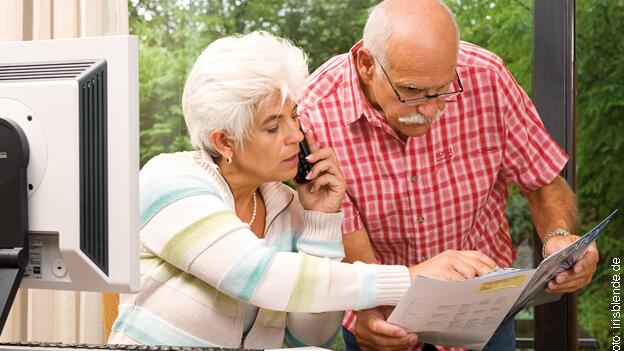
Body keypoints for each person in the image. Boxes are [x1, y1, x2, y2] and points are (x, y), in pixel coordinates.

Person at [107, 31, 498, 349]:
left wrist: (321, 220)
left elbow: (309, 335)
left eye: (294, 116)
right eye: (274, 126)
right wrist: (409, 278)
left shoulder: (284, 204)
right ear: (224, 141)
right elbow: (258, 276)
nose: (296, 136)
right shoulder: (171, 183)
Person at [298, 1, 599, 350]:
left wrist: (559, 236)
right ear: (367, 64)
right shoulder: (315, 112)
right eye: (411, 92)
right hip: (382, 314)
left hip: (483, 307)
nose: (429, 111)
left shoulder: (487, 77)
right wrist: (369, 308)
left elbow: (542, 178)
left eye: (442, 90)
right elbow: (340, 229)